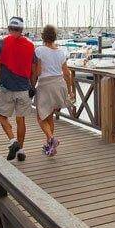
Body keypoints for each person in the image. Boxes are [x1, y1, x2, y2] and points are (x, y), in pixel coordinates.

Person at [0, 17, 35, 161]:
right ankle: (20, 150)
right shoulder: (30, 45)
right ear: (22, 30)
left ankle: (12, 141)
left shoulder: (1, 43)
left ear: (9, 29)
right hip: (24, 88)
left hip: (6, 87)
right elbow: (34, 69)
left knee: (2, 116)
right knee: (20, 119)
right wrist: (32, 85)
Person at [31, 24, 74, 156]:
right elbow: (67, 73)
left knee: (41, 117)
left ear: (43, 36)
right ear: (55, 37)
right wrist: (70, 90)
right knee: (49, 116)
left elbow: (37, 72)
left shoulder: (39, 51)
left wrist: (32, 85)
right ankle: (51, 147)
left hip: (45, 85)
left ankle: (51, 139)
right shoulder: (61, 52)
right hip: (59, 84)